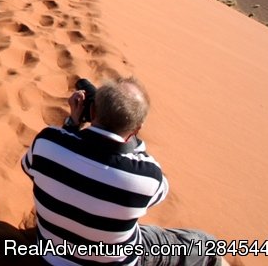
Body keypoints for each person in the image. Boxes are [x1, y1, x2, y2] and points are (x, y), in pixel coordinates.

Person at [21, 77, 225, 265]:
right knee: (205, 244)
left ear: (92, 112)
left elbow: (29, 167)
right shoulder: (146, 176)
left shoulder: (46, 143)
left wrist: (72, 125)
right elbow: (160, 192)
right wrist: (131, 142)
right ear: (137, 129)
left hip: (49, 257)